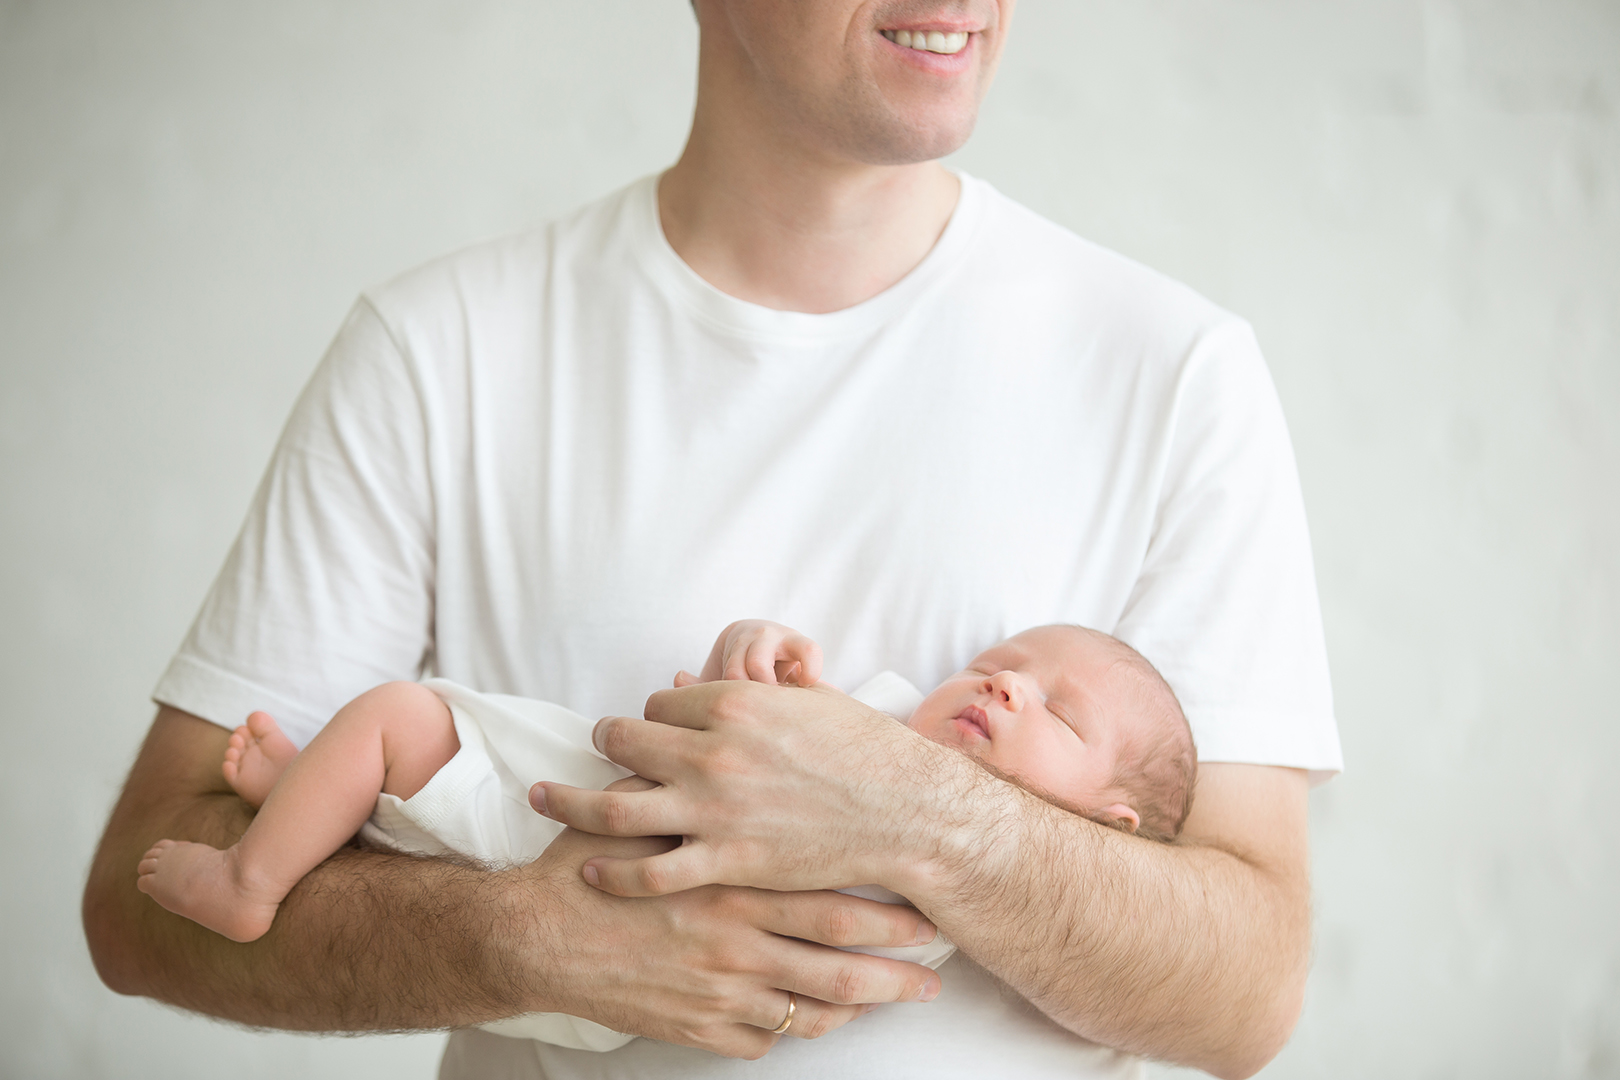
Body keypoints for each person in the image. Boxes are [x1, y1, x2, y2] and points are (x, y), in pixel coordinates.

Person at [83, 2, 1343, 1079]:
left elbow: (1247, 991)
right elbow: (140, 902)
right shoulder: (441, 350)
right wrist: (523, 938)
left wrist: (922, 816)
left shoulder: (1174, 372)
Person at [131, 619, 1192, 972]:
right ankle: (311, 801)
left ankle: (250, 876)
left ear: (1109, 826)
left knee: (400, 718)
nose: (1008, 684)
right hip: (593, 818)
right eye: (1001, 664)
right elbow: (741, 717)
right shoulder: (879, 708)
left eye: (1057, 713)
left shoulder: (970, 908)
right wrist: (751, 650)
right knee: (422, 786)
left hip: (606, 890)